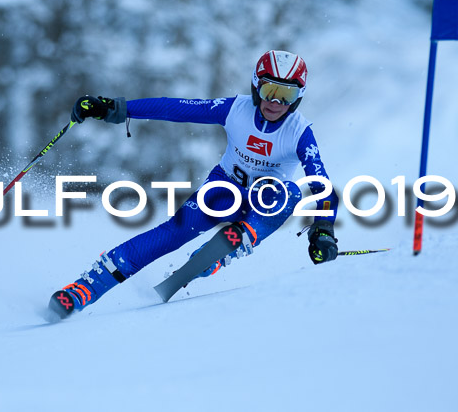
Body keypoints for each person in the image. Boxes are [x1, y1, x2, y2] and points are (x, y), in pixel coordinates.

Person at [46, 50, 339, 320]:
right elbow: (174, 108)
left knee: (287, 192)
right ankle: (83, 289)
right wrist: (114, 108)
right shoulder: (234, 109)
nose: (275, 102)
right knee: (172, 233)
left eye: (286, 94)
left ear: (299, 96)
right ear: (255, 86)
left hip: (266, 201)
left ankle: (227, 247)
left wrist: (324, 229)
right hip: (223, 190)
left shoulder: (299, 131)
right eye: (269, 90)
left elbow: (321, 183)